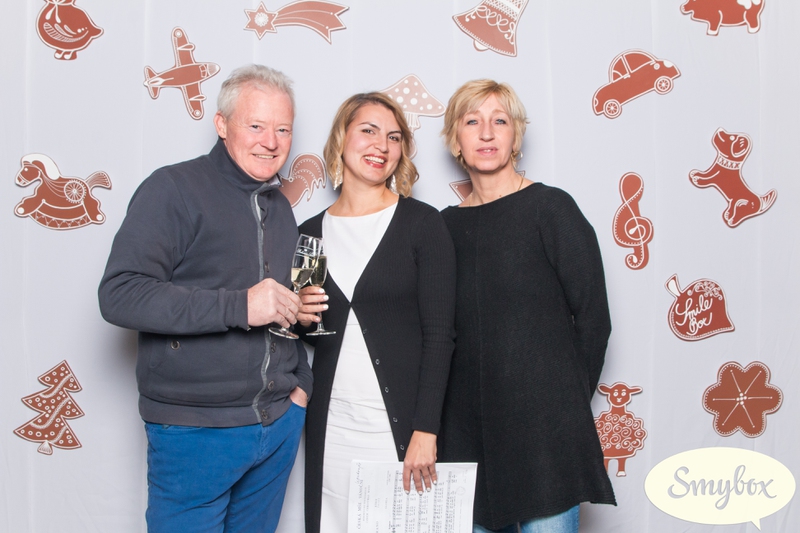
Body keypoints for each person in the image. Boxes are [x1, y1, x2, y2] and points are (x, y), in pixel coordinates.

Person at [98, 64, 313, 533]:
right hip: (196, 431)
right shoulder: (173, 189)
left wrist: (301, 385)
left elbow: (277, 309)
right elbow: (119, 294)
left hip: (277, 423)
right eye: (255, 126)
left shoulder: (281, 208)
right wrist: (240, 306)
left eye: (283, 129)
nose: (271, 142)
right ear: (221, 125)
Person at [437, 79, 616, 533]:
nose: (486, 133)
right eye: (472, 121)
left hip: (545, 438)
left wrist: (562, 405)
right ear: (455, 138)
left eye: (499, 121)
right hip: (467, 439)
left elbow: (594, 319)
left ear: (516, 135)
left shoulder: (551, 208)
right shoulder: (443, 228)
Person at [297, 92, 456, 533]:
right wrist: (299, 315)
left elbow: (441, 335)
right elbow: (308, 330)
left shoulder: (423, 224)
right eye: (368, 131)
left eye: (393, 137)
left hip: (401, 430)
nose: (381, 146)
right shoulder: (309, 234)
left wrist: (426, 430)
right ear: (341, 138)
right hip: (332, 427)